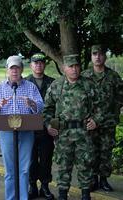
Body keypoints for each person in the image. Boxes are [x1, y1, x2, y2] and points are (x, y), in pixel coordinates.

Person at [43, 54, 103, 200]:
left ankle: (85, 194)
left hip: (84, 133)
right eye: (71, 66)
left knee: (85, 164)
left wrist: (96, 120)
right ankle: (63, 195)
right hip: (63, 133)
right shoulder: (56, 85)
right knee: (63, 165)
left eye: (76, 66)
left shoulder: (89, 85)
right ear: (64, 68)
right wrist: (49, 125)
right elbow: (47, 109)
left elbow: (101, 107)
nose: (74, 69)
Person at [0, 55, 44, 200]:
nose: (14, 71)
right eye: (11, 68)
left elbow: (40, 106)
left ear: (22, 70)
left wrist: (31, 103)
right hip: (6, 133)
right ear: (7, 69)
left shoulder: (30, 87)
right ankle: (11, 198)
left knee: (24, 169)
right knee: (10, 171)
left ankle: (23, 198)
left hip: (26, 133)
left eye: (17, 68)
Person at [81, 45, 123, 192]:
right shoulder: (84, 76)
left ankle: (103, 180)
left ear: (105, 56)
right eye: (94, 54)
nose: (98, 57)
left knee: (105, 152)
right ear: (91, 56)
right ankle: (92, 180)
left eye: (101, 54)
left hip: (107, 123)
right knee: (90, 152)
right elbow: (80, 100)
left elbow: (119, 99)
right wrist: (88, 119)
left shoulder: (113, 76)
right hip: (89, 123)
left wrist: (110, 116)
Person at [26, 53, 55, 200]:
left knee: (46, 159)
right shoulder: (24, 82)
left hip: (46, 129)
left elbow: (57, 107)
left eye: (41, 63)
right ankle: (32, 187)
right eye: (35, 63)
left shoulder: (52, 82)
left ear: (44, 65)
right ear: (31, 65)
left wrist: (54, 127)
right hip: (29, 128)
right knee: (30, 160)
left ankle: (44, 186)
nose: (38, 65)